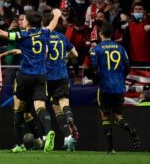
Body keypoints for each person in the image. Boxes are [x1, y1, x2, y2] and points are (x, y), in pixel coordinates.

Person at [0, 8, 62, 153]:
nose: (22, 21)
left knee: (18, 108)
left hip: (25, 76)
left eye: (24, 19)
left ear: (29, 22)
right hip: (41, 76)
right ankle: (48, 131)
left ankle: (19, 144)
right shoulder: (45, 32)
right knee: (40, 107)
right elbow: (52, 24)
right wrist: (57, 14)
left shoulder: (23, 35)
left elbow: (1, 33)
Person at [89, 22, 140, 153]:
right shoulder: (120, 48)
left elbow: (94, 69)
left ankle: (111, 148)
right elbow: (128, 66)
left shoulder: (97, 49)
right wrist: (120, 77)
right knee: (118, 116)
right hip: (118, 87)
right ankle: (131, 130)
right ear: (112, 34)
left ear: (100, 34)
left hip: (105, 86)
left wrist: (95, 79)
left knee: (105, 116)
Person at [42, 13, 79, 151]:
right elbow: (75, 54)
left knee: (55, 107)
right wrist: (65, 57)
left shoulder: (43, 36)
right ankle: (69, 121)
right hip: (62, 75)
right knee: (64, 103)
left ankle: (66, 136)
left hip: (48, 76)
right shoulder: (63, 37)